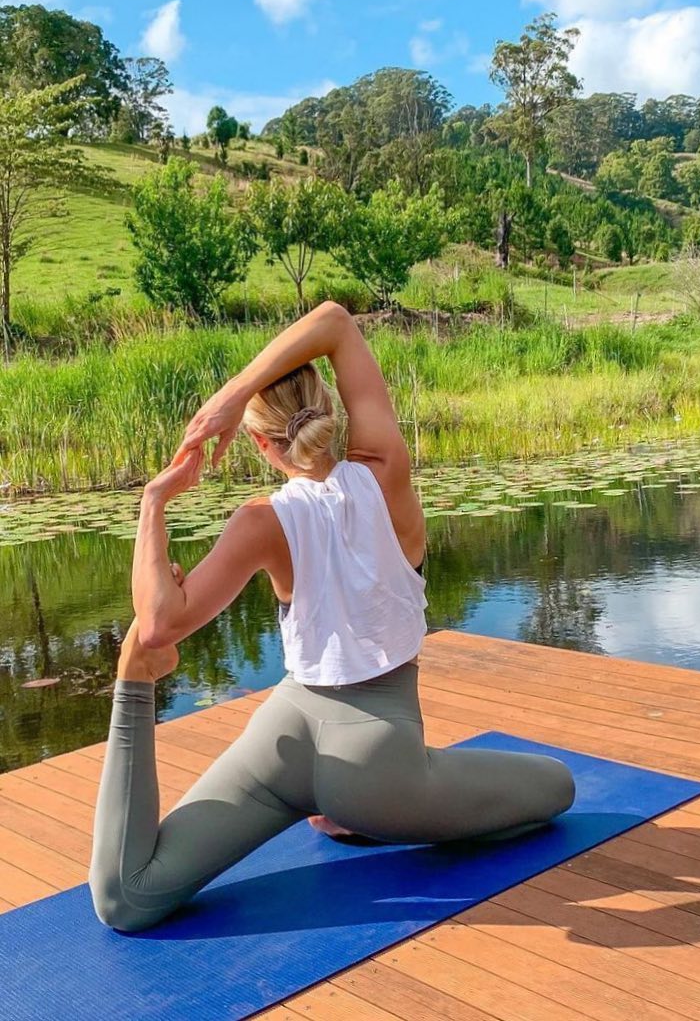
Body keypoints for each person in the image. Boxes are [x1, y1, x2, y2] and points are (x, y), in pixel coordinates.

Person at [89, 301, 575, 933]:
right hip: (380, 773)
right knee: (556, 788)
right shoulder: (387, 474)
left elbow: (157, 622)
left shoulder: (260, 523)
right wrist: (233, 395)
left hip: (284, 742)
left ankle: (130, 689)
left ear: (262, 445)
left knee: (128, 897)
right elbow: (337, 323)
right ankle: (360, 815)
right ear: (334, 414)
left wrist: (154, 500)